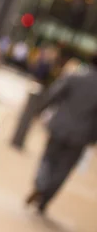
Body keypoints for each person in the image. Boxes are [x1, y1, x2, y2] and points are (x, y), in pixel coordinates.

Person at [25, 54, 97, 214]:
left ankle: (40, 185)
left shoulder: (75, 77)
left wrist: (40, 110)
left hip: (59, 127)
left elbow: (54, 94)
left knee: (48, 158)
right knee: (63, 170)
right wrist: (93, 139)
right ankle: (44, 200)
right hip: (81, 136)